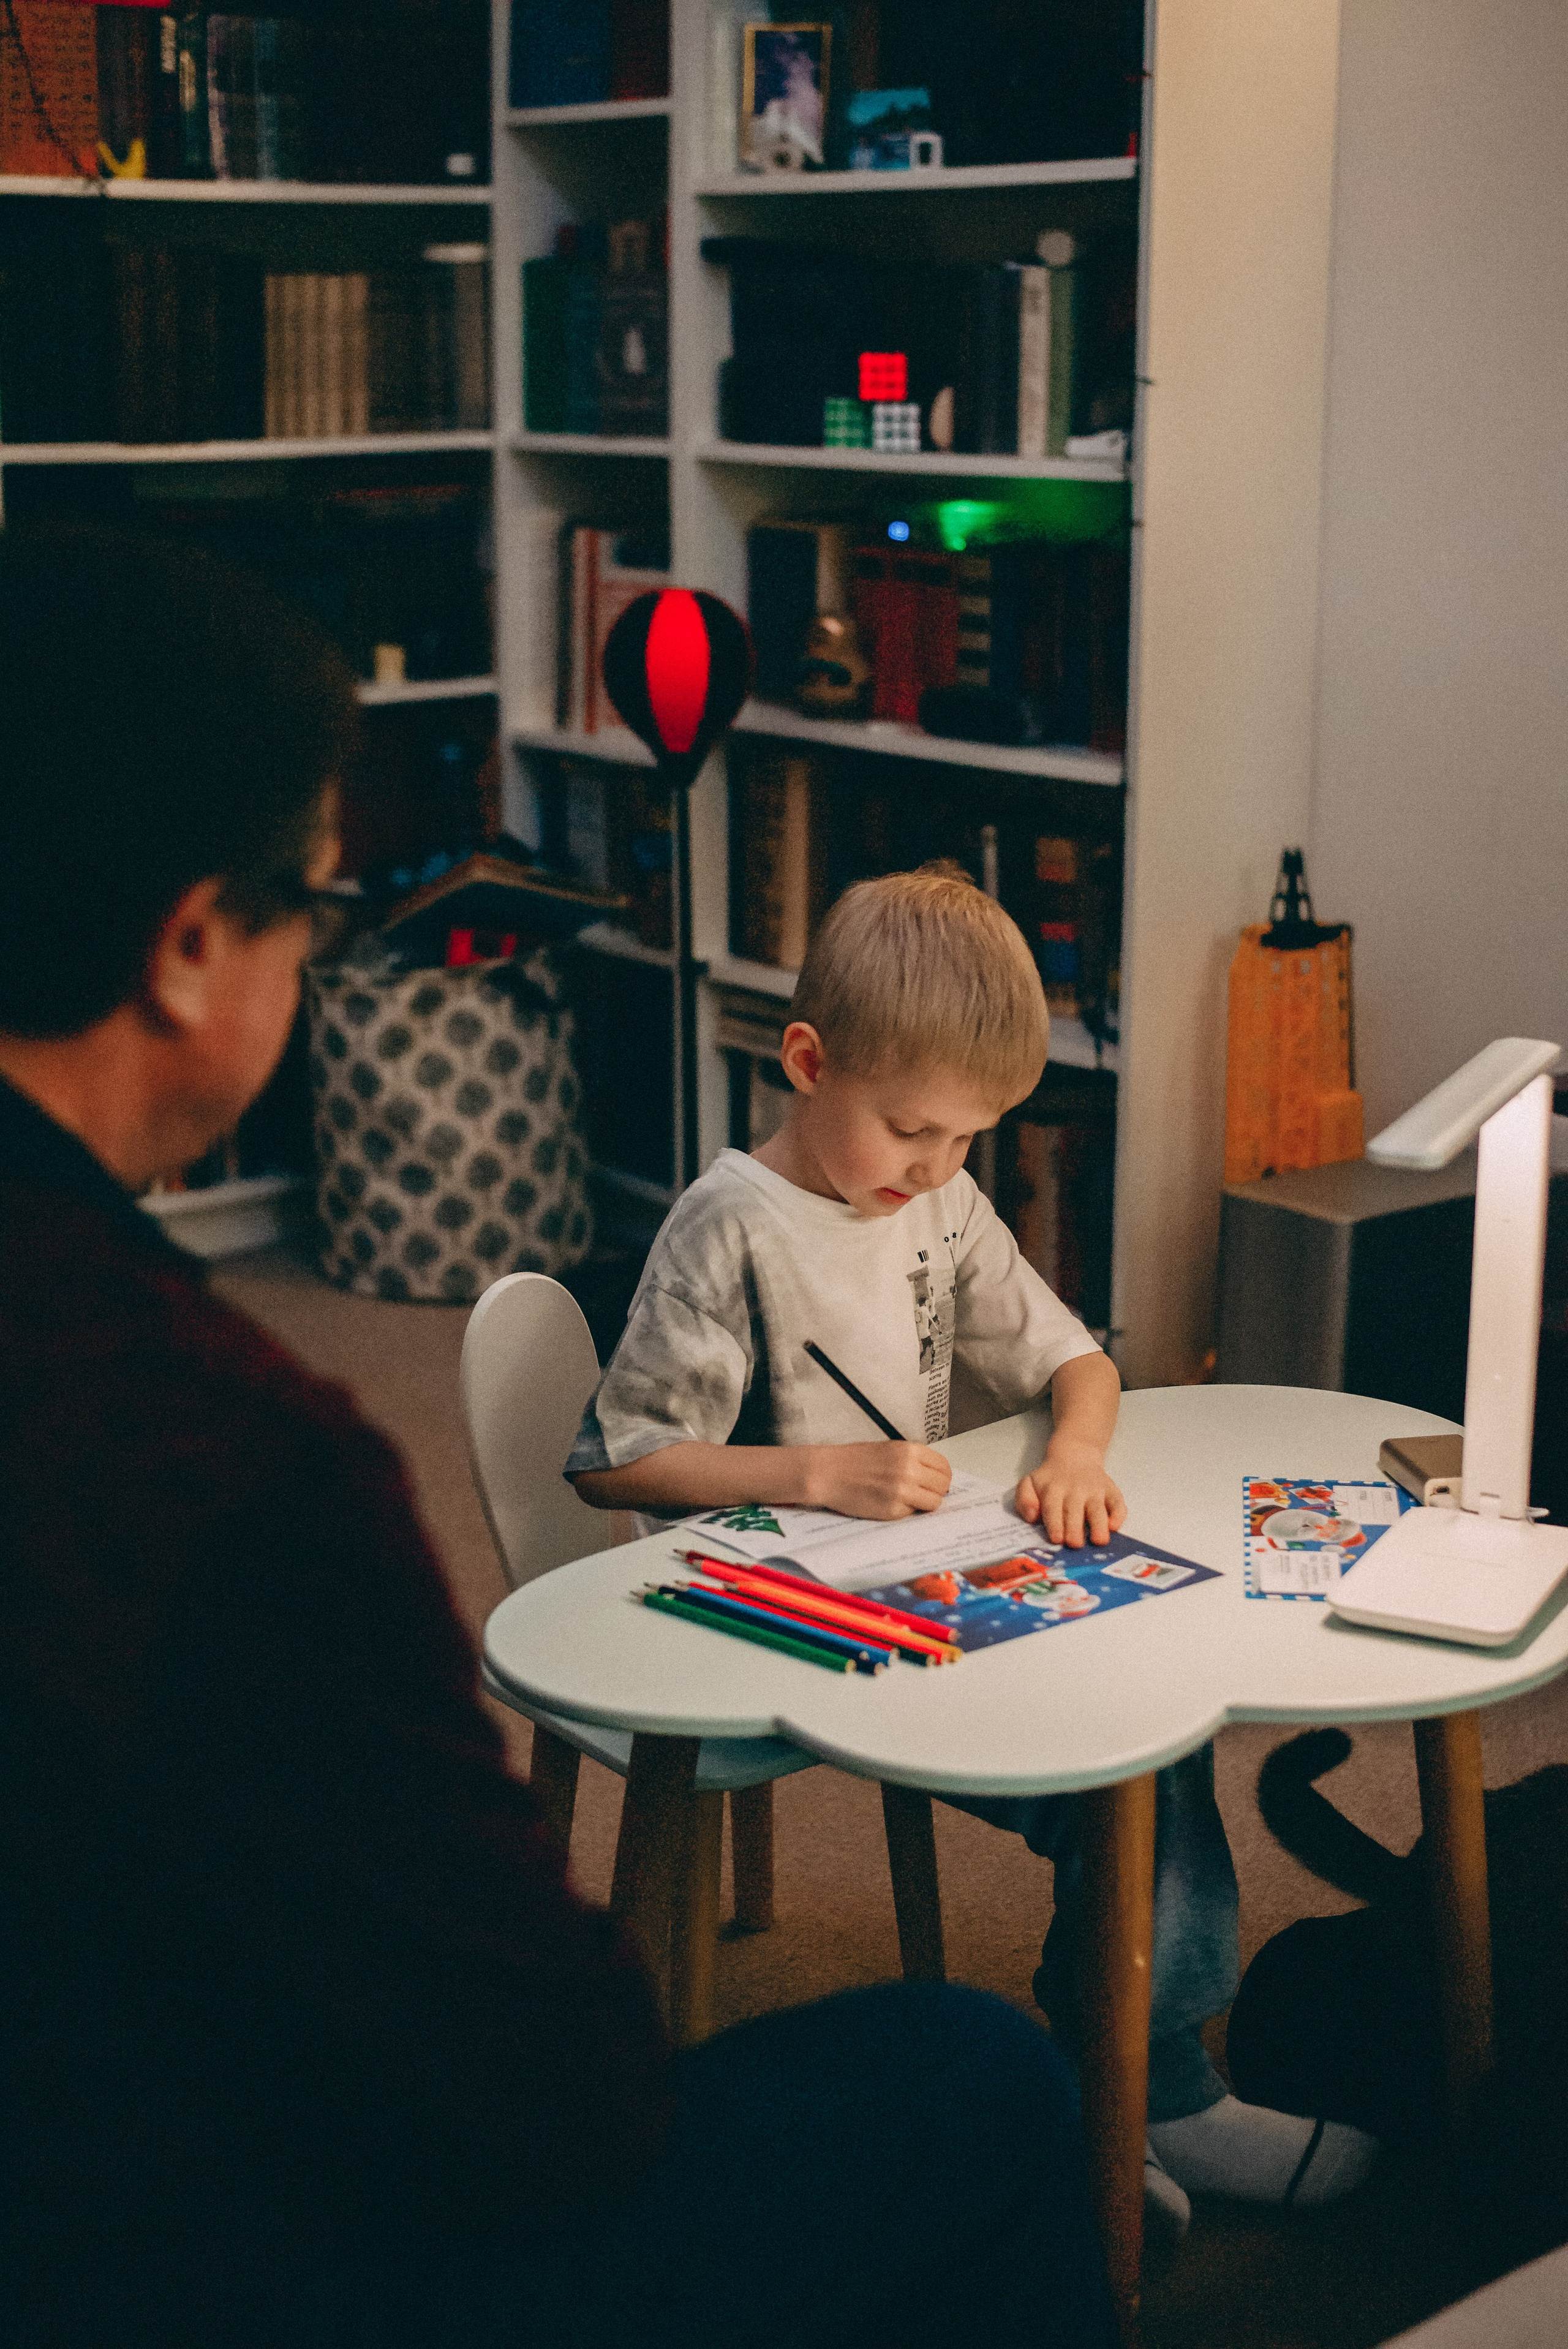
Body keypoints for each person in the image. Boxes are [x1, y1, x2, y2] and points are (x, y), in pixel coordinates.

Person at [0, 525, 1117, 2349]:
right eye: (322, 905)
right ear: (197, 942)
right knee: (982, 2078)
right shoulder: (220, 1454)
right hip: (192, 2254)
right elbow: (558, 2097)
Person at [570, 864, 1380, 2233]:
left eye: (968, 1139)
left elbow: (1076, 1358)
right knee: (1128, 1750)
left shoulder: (938, 1204)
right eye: (909, 1129)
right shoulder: (730, 1225)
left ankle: (1140, 2071)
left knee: (1152, 1723)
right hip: (772, 1621)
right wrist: (812, 1468)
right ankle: (1130, 2086)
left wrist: (1071, 1449)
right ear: (807, 1061)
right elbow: (619, 1462)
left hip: (919, 1590)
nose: (936, 1167)